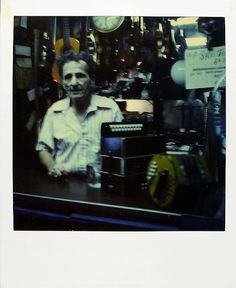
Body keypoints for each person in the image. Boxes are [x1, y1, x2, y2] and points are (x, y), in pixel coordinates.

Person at [36, 50, 123, 177]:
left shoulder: (110, 109)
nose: (74, 83)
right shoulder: (54, 112)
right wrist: (52, 166)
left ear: (91, 79)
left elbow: (122, 148)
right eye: (68, 77)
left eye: (80, 75)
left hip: (100, 184)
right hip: (64, 183)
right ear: (63, 82)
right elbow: (43, 148)